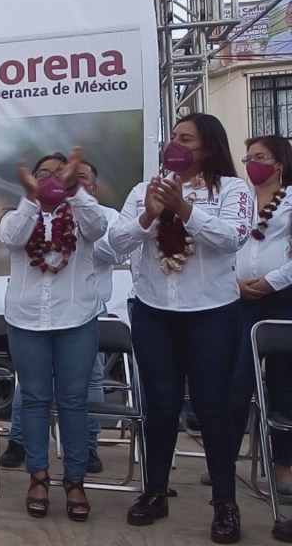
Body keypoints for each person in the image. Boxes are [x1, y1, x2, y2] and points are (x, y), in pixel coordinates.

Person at [110, 113, 251, 544]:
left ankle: (225, 504)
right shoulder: (144, 190)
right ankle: (155, 492)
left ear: (208, 147)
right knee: (161, 405)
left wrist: (184, 209)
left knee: (212, 407)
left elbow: (233, 238)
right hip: (154, 312)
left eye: (185, 138)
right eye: (173, 136)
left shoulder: (232, 189)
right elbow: (116, 244)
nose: (175, 144)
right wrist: (148, 215)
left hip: (212, 313)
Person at [0, 159, 127, 473]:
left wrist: (75, 195)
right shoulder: (16, 215)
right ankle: (36, 473)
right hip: (28, 320)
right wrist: (31, 199)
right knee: (34, 396)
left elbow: (99, 231)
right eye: (43, 174)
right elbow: (12, 238)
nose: (51, 179)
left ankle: (77, 475)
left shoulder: (87, 215)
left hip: (77, 318)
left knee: (74, 399)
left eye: (60, 174)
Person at [227, 137, 292, 500]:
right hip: (238, 300)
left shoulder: (291, 199)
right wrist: (234, 282)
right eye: (248, 157)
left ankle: (283, 467)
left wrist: (272, 282)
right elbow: (224, 245)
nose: (252, 163)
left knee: (284, 385)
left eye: (260, 157)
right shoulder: (239, 201)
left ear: (279, 162)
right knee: (235, 384)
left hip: (283, 300)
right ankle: (225, 462)